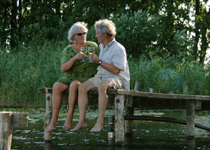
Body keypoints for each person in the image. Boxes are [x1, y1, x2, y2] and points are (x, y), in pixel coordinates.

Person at [71, 19, 130, 132]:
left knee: (102, 86)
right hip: (103, 76)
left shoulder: (118, 48)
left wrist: (98, 62)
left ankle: (99, 122)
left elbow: (117, 70)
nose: (96, 35)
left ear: (105, 34)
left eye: (98, 33)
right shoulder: (102, 46)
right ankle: (82, 121)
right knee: (82, 87)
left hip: (118, 78)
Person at [47, 22, 99, 132]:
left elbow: (101, 60)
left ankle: (69, 116)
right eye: (80, 34)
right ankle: (54, 119)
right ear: (73, 36)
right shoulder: (68, 50)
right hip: (71, 76)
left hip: (87, 77)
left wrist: (95, 59)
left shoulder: (92, 46)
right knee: (56, 86)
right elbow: (63, 69)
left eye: (85, 33)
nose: (83, 36)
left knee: (75, 84)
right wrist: (75, 58)